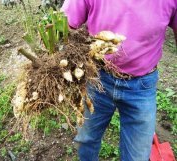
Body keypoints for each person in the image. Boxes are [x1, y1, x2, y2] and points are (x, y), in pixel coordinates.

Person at [61, 0, 177, 161]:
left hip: (142, 86)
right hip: (97, 78)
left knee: (137, 156)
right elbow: (62, 25)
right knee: (85, 140)